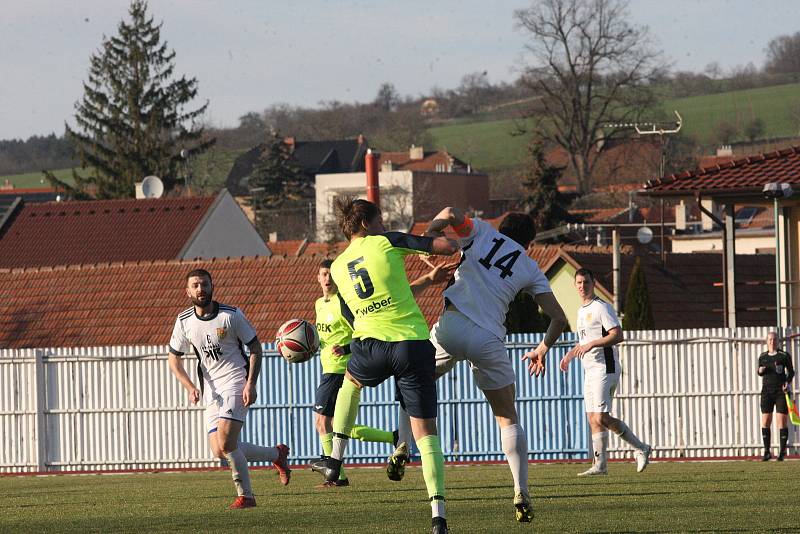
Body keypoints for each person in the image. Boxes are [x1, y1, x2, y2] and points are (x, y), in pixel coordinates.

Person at [395, 208, 568, 523]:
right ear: (528, 242)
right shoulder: (529, 266)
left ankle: (403, 445)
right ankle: (521, 491)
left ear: (502, 227)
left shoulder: (482, 231)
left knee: (415, 380)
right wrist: (543, 347)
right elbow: (558, 318)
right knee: (507, 418)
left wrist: (430, 237)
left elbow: (449, 213)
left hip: (451, 324)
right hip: (487, 338)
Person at [310, 198, 458, 534]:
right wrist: (438, 232)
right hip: (411, 343)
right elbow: (447, 247)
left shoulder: (336, 267)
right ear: (366, 223)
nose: (383, 224)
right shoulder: (387, 240)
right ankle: (438, 516)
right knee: (426, 433)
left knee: (351, 383)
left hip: (370, 345)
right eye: (380, 220)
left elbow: (350, 313)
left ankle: (334, 461)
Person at [313, 258, 453, 487]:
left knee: (323, 422)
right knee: (334, 422)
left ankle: (335, 471)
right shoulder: (319, 304)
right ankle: (394, 439)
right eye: (323, 274)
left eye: (330, 274)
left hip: (344, 367)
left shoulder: (345, 301)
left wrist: (348, 348)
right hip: (331, 366)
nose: (327, 278)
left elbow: (358, 326)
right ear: (318, 278)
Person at [168, 269, 291, 509]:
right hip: (211, 390)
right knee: (219, 450)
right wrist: (190, 386)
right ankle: (276, 455)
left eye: (204, 284)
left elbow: (255, 348)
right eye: (195, 285)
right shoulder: (184, 321)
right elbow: (173, 359)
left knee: (226, 442)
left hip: (236, 381)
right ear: (188, 291)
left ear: (212, 287)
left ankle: (247, 496)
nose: (200, 289)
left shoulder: (230, 315)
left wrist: (250, 383)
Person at [559, 268, 651, 476]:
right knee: (592, 417)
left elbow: (617, 335)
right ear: (575, 285)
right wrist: (569, 355)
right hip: (589, 370)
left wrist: (592, 344)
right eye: (579, 283)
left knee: (601, 416)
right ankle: (600, 465)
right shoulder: (581, 310)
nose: (583, 286)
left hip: (605, 368)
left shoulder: (602, 308)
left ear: (594, 283)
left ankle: (641, 448)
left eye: (586, 282)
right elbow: (584, 343)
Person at [758, 331, 795, 461]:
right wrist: (760, 371)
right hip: (767, 392)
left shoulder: (784, 356)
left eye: (774, 339)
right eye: (769, 339)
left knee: (781, 423)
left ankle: (782, 452)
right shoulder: (763, 356)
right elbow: (759, 371)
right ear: (766, 341)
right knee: (765, 421)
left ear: (777, 341)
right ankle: (767, 452)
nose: (772, 342)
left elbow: (791, 372)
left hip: (781, 392)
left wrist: (787, 382)